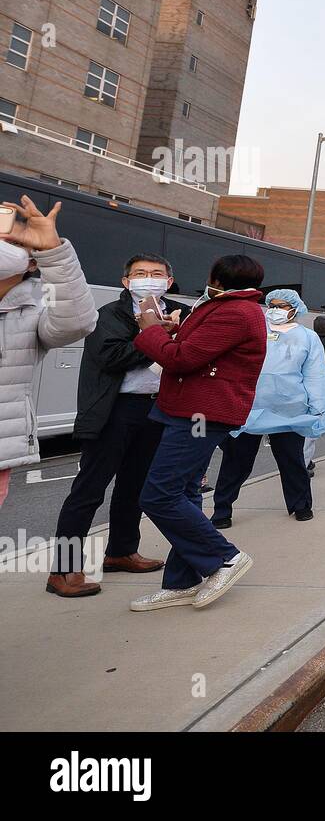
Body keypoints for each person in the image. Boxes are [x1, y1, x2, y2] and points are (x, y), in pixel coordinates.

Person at [127, 254, 267, 612]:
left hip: (199, 413)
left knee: (159, 495)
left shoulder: (235, 312)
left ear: (216, 278)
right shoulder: (228, 306)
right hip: (188, 409)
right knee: (185, 494)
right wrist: (171, 330)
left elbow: (181, 359)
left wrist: (150, 329)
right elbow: (194, 349)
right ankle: (181, 581)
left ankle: (225, 558)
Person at [48, 253, 189, 597]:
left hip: (157, 410)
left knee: (135, 488)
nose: (149, 278)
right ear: (126, 282)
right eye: (140, 273)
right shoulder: (110, 314)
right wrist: (156, 338)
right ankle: (63, 570)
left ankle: (122, 551)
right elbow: (111, 357)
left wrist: (170, 336)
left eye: (157, 273)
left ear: (169, 282)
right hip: (115, 410)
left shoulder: (183, 314)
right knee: (89, 490)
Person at [0, 196, 97, 514]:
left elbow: (79, 321)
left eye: (10, 237)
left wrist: (53, 251)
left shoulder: (36, 309)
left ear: (31, 261)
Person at [211, 289, 325, 527]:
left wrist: (318, 406)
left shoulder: (308, 338)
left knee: (292, 461)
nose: (275, 310)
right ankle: (221, 511)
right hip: (250, 408)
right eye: (272, 305)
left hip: (290, 410)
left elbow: (316, 375)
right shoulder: (254, 332)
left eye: (281, 306)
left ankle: (300, 506)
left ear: (295, 308)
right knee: (236, 462)